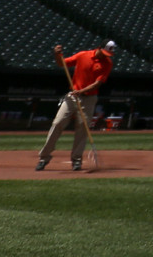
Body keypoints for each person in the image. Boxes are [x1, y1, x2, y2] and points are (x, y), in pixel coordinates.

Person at [36, 41, 116, 172]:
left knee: (82, 128)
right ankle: (44, 158)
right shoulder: (83, 55)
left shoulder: (107, 63)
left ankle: (76, 160)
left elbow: (98, 83)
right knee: (58, 123)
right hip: (72, 96)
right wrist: (57, 54)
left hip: (89, 98)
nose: (106, 56)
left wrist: (82, 91)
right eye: (105, 52)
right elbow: (62, 63)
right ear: (99, 48)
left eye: (109, 54)